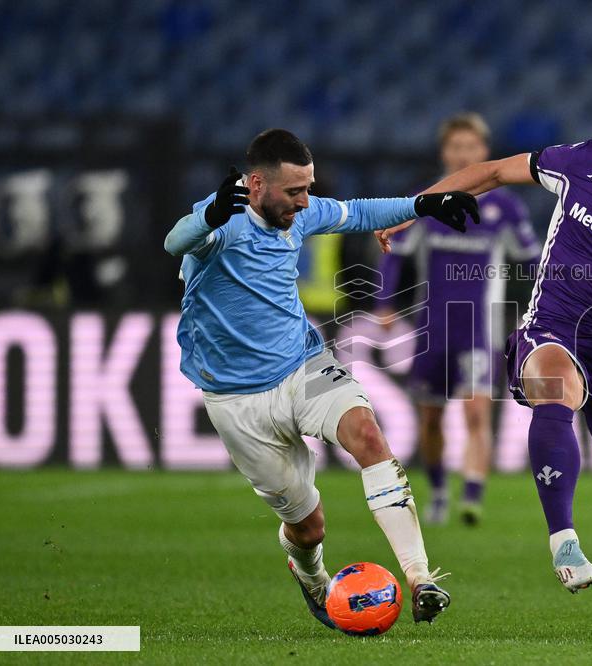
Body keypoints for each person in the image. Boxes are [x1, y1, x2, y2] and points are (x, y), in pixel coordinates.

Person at [378, 85, 592, 634]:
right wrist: (411, 209)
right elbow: (488, 173)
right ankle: (564, 542)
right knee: (556, 388)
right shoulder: (585, 163)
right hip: (550, 329)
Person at [164, 129, 479, 629]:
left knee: (368, 435)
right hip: (236, 399)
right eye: (294, 191)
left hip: (302, 365)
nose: (304, 201)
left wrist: (425, 204)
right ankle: (312, 578)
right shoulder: (220, 221)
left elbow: (359, 210)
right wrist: (208, 214)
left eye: (308, 188)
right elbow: (175, 239)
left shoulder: (301, 213)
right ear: (256, 184)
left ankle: (420, 579)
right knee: (308, 527)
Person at [375, 113, 541, 526]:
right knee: (430, 418)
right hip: (432, 327)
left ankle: (471, 494)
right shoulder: (424, 202)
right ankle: (436, 492)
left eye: (471, 147)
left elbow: (532, 260)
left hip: (479, 330)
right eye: (456, 147)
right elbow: (395, 250)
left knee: (476, 413)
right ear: (445, 152)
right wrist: (385, 303)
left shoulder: (504, 206)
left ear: (483, 152)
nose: (463, 154)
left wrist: (538, 308)